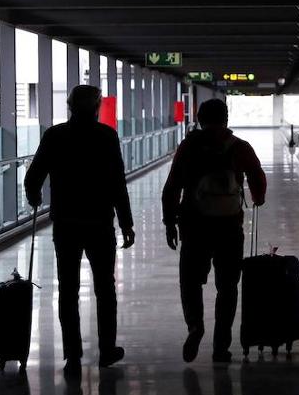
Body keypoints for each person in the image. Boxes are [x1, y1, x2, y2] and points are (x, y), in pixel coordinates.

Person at [24, 85, 135, 376]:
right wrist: (126, 222)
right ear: (97, 106)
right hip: (99, 222)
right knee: (105, 288)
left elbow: (33, 177)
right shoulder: (106, 136)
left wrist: (34, 195)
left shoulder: (55, 136)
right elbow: (116, 183)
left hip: (66, 224)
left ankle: (73, 355)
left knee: (68, 290)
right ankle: (107, 350)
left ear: (70, 106)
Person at [162, 98, 268, 363]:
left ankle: (195, 326)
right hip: (230, 226)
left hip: (194, 225)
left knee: (190, 280)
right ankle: (221, 346)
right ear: (226, 119)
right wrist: (258, 197)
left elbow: (172, 185)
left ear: (199, 119)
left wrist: (169, 222)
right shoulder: (239, 147)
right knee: (228, 286)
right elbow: (257, 176)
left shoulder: (189, 146)